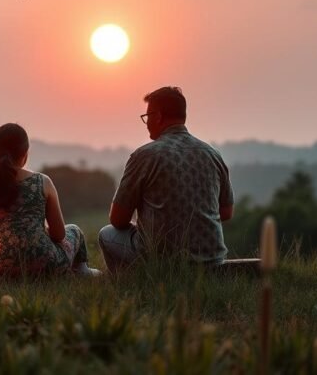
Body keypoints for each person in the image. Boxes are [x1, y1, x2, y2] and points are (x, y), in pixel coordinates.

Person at [98, 86, 234, 271]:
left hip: (162, 262)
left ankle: (129, 284)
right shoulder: (213, 154)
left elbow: (118, 219)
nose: (146, 123)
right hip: (213, 261)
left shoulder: (145, 156)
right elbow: (226, 212)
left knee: (106, 234)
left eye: (147, 116)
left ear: (158, 116)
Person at [0, 123, 100, 278]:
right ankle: (82, 271)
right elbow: (59, 235)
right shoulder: (42, 182)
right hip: (44, 264)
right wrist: (36, 233)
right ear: (25, 153)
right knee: (74, 230)